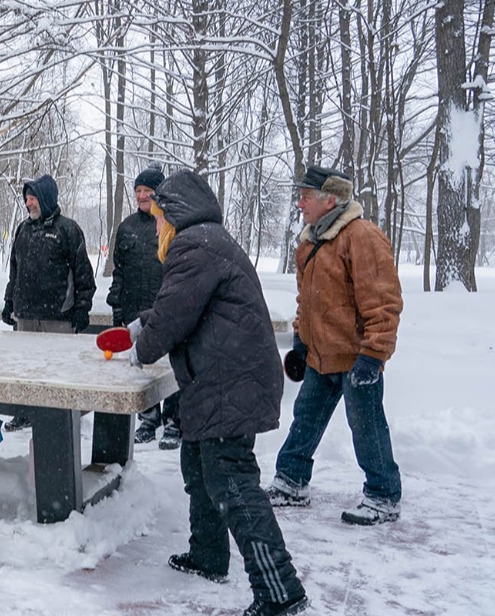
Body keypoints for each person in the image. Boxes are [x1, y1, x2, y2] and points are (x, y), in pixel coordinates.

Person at [129, 170, 308, 616]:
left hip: (231, 383)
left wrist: (141, 345)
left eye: (157, 216)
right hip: (226, 378)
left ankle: (280, 590)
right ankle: (208, 555)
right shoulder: (208, 240)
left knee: (231, 480)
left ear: (173, 214)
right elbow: (184, 302)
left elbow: (173, 317)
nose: (154, 225)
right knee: (198, 461)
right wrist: (143, 320)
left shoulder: (194, 245)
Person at [266, 165, 404, 526]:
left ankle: (383, 495)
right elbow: (306, 300)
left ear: (331, 200)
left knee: (367, 426)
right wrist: (300, 340)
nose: (300, 203)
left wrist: (373, 356)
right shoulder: (311, 241)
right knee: (305, 419)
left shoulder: (361, 237)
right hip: (319, 354)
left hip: (356, 356)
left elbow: (383, 301)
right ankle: (291, 480)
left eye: (306, 196)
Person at [1, 174, 96, 431]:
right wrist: (9, 302)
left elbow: (83, 275)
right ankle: (24, 412)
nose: (28, 203)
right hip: (26, 316)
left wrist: (82, 309)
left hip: (58, 317)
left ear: (46, 198)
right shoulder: (23, 229)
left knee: (57, 370)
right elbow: (15, 271)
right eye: (26, 198)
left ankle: (59, 416)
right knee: (25, 368)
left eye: (33, 198)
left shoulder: (68, 229)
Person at [107, 165, 182, 449]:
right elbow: (119, 272)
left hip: (165, 309)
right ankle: (148, 419)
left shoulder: (170, 224)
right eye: (138, 191)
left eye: (147, 192)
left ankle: (174, 422)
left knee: (170, 367)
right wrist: (117, 306)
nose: (141, 196)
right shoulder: (126, 227)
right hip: (133, 309)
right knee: (139, 367)